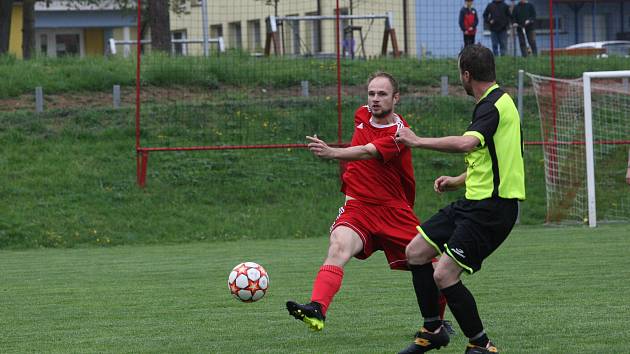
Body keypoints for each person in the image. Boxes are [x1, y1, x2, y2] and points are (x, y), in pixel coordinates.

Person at [286, 71, 448, 333]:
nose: (375, 99)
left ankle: (438, 324)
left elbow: (366, 152)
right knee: (338, 247)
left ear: (396, 98)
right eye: (371, 93)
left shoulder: (399, 134)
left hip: (395, 211)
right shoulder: (362, 114)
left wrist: (332, 152)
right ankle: (317, 309)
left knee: (436, 270)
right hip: (359, 208)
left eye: (382, 94)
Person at [396, 44, 525, 354]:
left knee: (444, 273)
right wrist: (457, 180)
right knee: (415, 251)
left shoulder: (493, 106)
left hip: (492, 209)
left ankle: (482, 346)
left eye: (460, 74)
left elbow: (468, 144)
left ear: (466, 75)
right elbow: (493, 159)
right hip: (473, 202)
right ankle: (433, 330)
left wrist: (416, 140)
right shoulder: (495, 103)